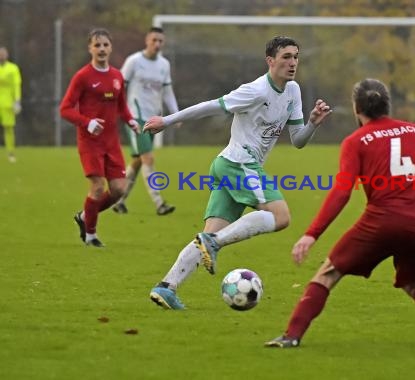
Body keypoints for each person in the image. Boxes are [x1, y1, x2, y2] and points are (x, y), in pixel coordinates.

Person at [264, 78, 415, 348]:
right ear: (387, 104)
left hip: (383, 222)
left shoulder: (356, 141)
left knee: (327, 273)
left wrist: (311, 234)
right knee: (414, 281)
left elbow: (341, 192)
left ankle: (291, 336)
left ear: (356, 109)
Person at [143, 36, 333, 310]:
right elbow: (210, 106)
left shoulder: (293, 91)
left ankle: (166, 288)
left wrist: (313, 124)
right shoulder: (255, 90)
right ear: (271, 61)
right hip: (238, 163)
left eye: (295, 57)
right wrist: (167, 121)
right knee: (281, 216)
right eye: (286, 57)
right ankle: (214, 243)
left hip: (230, 165)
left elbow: (298, 141)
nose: (292, 63)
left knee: (208, 234)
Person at [60, 28, 140, 247]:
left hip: (111, 142)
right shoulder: (82, 77)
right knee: (96, 187)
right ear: (90, 48)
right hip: (90, 142)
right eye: (97, 45)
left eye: (105, 45)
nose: (102, 49)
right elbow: (65, 109)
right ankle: (91, 235)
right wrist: (88, 122)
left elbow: (122, 106)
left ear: (111, 47)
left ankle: (85, 216)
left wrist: (131, 120)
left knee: (119, 190)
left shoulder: (116, 76)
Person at [112, 27, 179, 216]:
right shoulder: (134, 61)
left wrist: (175, 114)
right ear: (146, 40)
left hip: (153, 119)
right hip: (135, 117)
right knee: (148, 158)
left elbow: (167, 91)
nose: (157, 44)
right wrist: (116, 109)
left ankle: (119, 200)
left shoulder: (164, 64)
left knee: (137, 162)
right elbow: (119, 85)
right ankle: (159, 203)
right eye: (154, 40)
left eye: (160, 41)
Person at [0, 46, 22, 163]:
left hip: (8, 103)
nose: (2, 55)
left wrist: (17, 100)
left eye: (3, 53)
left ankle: (10, 152)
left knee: (8, 128)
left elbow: (16, 85)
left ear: (7, 55)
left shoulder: (13, 69)